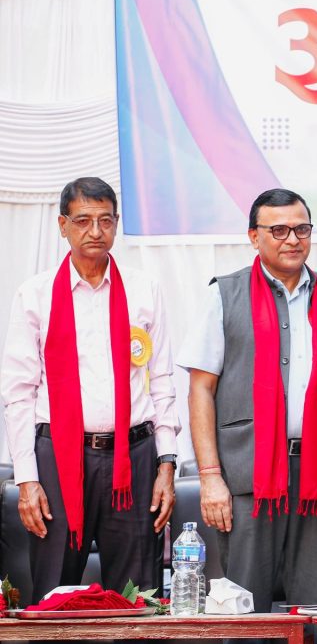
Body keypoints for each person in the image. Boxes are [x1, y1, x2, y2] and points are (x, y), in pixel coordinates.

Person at [179, 188, 317, 612]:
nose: (292, 239)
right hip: (248, 478)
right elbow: (200, 388)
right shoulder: (225, 294)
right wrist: (210, 477)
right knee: (242, 607)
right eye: (278, 230)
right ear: (253, 236)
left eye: (301, 229)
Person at [1, 177, 178, 602]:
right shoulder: (35, 295)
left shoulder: (144, 290)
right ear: (63, 225)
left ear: (116, 223)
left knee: (138, 596)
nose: (95, 231)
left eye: (105, 220)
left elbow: (163, 381)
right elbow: (19, 393)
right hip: (58, 458)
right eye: (82, 221)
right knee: (55, 592)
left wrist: (167, 465)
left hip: (134, 458)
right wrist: (27, 479)